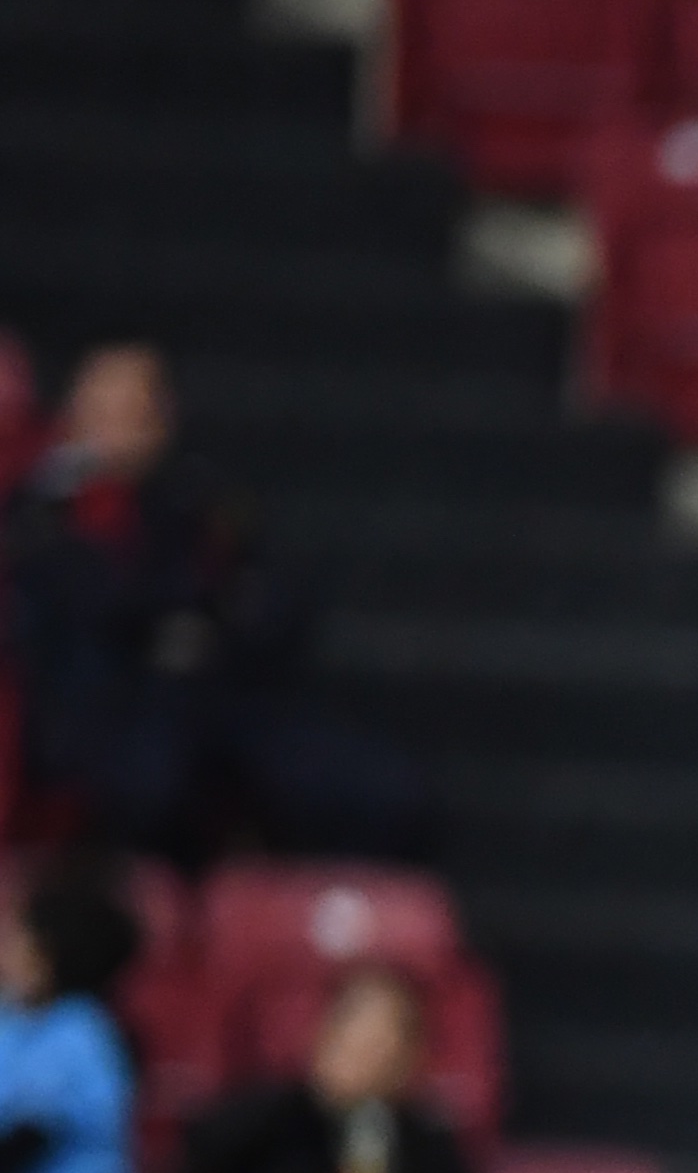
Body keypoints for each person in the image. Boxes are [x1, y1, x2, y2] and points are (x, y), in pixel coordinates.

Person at [5, 341, 412, 862]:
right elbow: (88, 615)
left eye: (135, 415)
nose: (118, 433)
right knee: (150, 785)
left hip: (213, 705)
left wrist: (203, 621)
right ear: (71, 417)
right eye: (103, 413)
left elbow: (262, 608)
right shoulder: (38, 517)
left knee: (377, 792)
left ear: (163, 420)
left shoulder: (196, 502)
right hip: (98, 723)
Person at [171, 965, 502, 1173]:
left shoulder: (428, 1146)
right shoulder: (277, 1119)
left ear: (414, 1054)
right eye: (357, 1028)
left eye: (388, 1036)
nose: (370, 1049)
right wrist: (317, 1096)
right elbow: (197, 1162)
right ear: (326, 1032)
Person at [0, 849, 164, 1173]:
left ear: (52, 952)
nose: (6, 953)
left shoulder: (83, 1034)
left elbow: (23, 1141)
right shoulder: (11, 1025)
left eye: (19, 940)